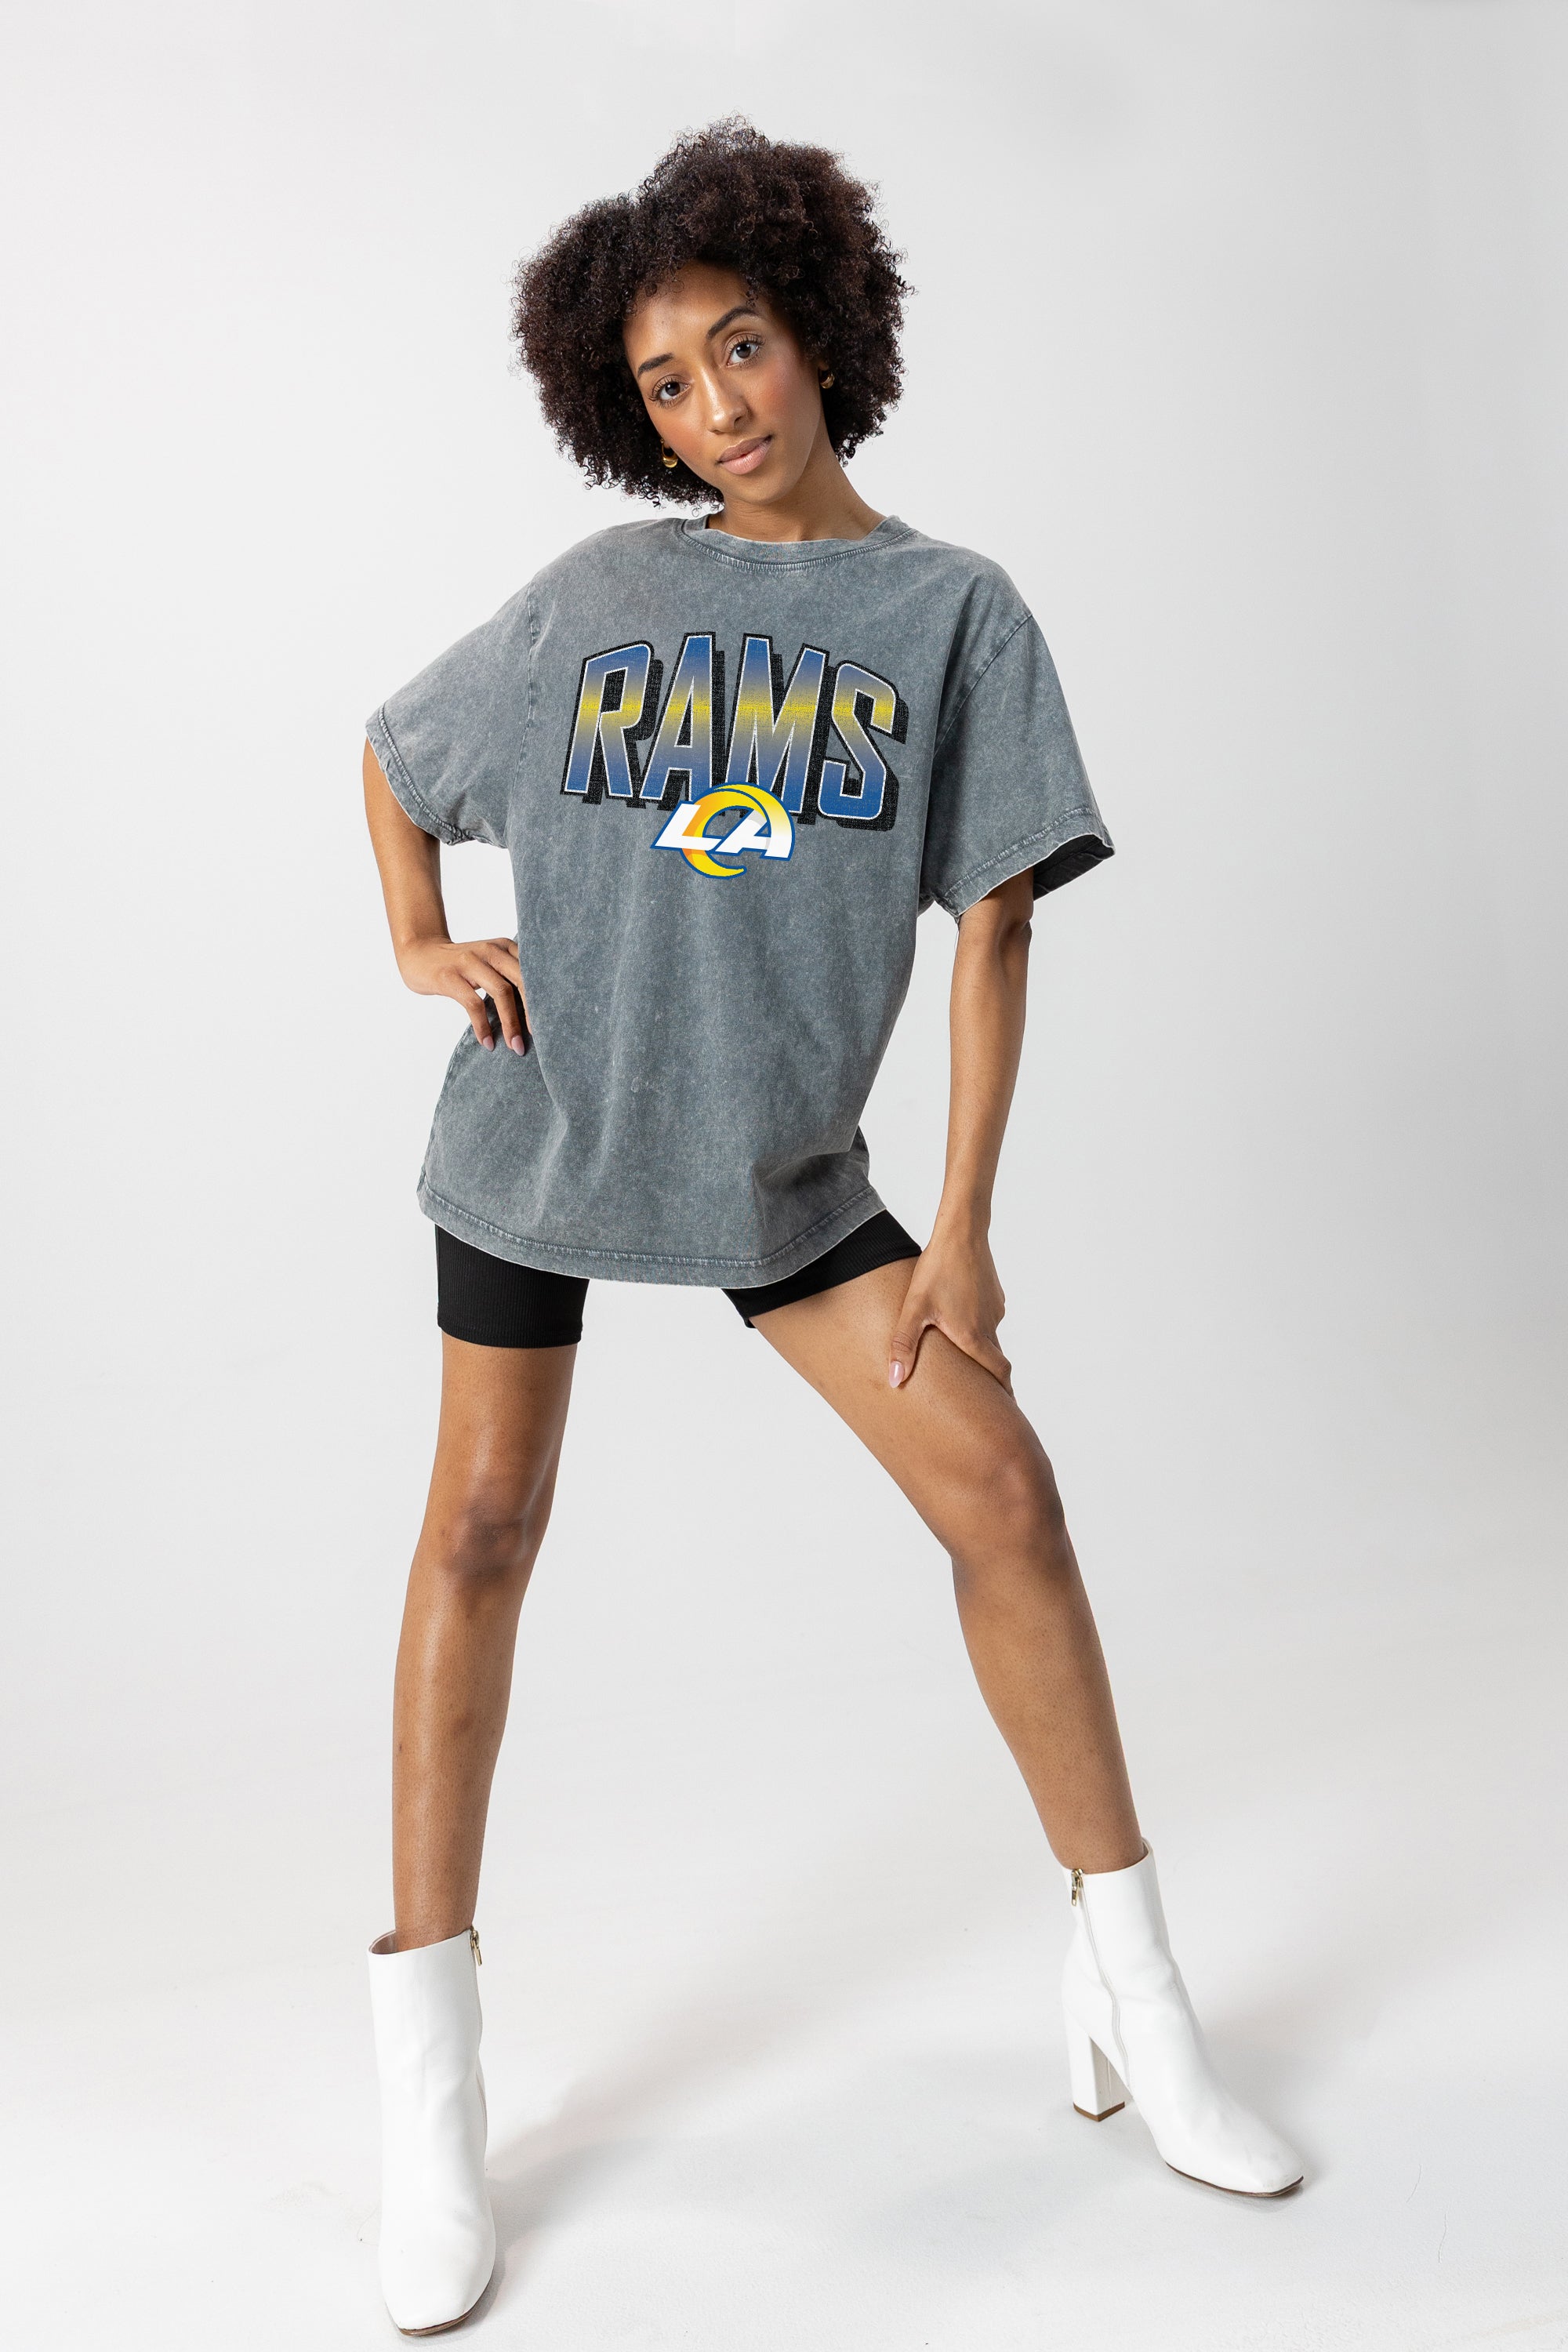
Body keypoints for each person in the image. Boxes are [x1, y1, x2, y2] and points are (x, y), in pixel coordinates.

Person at [361, 118, 1302, 2339]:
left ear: (820, 329)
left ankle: (1135, 1992)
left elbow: (996, 932)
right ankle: (430, 2092)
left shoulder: (952, 614)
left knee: (1006, 1498)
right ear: (629, 414)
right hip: (543, 1136)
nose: (718, 406)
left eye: (742, 347)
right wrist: (419, 940)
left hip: (782, 1171)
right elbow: (399, 756)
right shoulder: (598, 598)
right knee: (479, 1531)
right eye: (666, 383)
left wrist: (960, 1230)